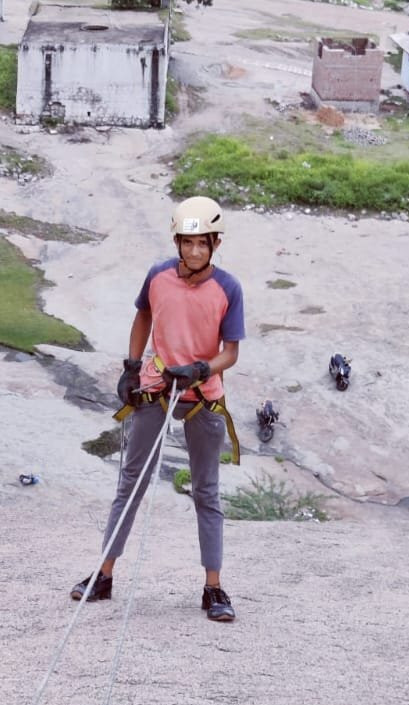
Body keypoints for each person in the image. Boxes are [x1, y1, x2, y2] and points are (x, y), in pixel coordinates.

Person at [70, 196, 245, 621]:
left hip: (201, 394)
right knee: (131, 481)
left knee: (206, 491)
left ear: (215, 243)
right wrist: (132, 367)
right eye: (188, 242)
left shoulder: (229, 288)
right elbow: (143, 318)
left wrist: (202, 368)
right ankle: (104, 574)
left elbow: (231, 352)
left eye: (203, 243)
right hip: (158, 386)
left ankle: (214, 588)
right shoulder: (158, 276)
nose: (195, 250)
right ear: (178, 241)